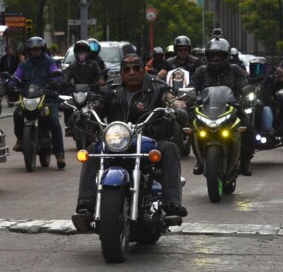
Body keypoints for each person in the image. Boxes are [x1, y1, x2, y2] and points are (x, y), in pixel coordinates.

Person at [75, 54, 187, 219]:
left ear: (144, 70)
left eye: (136, 68)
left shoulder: (158, 87)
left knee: (170, 148)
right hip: (116, 141)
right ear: (121, 73)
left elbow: (170, 99)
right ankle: (86, 203)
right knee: (92, 150)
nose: (131, 73)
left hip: (150, 140)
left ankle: (172, 203)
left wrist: (178, 108)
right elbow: (97, 103)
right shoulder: (111, 89)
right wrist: (85, 112)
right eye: (126, 69)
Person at [189, 36, 255, 176]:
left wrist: (246, 93)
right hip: (206, 110)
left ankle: (245, 162)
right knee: (192, 127)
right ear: (207, 56)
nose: (216, 58)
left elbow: (243, 84)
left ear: (227, 56)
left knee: (248, 127)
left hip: (232, 109)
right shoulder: (201, 71)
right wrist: (188, 97)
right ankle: (200, 161)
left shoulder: (235, 70)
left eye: (219, 55)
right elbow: (192, 87)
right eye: (212, 55)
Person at [8, 36, 66, 168]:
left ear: (42, 49)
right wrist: (11, 83)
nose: (35, 52)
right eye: (32, 50)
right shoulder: (24, 65)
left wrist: (55, 80)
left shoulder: (50, 62)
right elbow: (17, 75)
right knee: (17, 114)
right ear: (28, 51)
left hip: (48, 98)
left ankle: (59, 154)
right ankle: (21, 139)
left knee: (54, 121)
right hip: (28, 98)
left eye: (38, 50)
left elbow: (55, 72)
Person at [62, 40, 102, 134]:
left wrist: (100, 80)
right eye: (79, 52)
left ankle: (99, 126)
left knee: (100, 105)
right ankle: (69, 126)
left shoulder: (94, 64)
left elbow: (100, 74)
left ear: (87, 53)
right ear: (76, 54)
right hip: (77, 94)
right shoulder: (72, 66)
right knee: (66, 105)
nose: (81, 54)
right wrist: (64, 82)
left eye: (83, 52)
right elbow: (66, 76)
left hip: (92, 92)